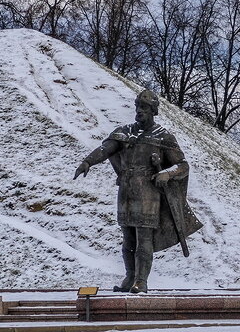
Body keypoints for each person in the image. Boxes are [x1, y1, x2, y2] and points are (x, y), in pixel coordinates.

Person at [74, 89, 201, 293]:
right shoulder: (125, 132)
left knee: (144, 238)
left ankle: (141, 281)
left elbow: (182, 165)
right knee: (127, 238)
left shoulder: (163, 137)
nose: (139, 111)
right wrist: (88, 161)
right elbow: (105, 149)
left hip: (148, 194)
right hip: (126, 190)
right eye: (137, 107)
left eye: (144, 108)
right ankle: (129, 276)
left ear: (153, 110)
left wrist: (166, 174)